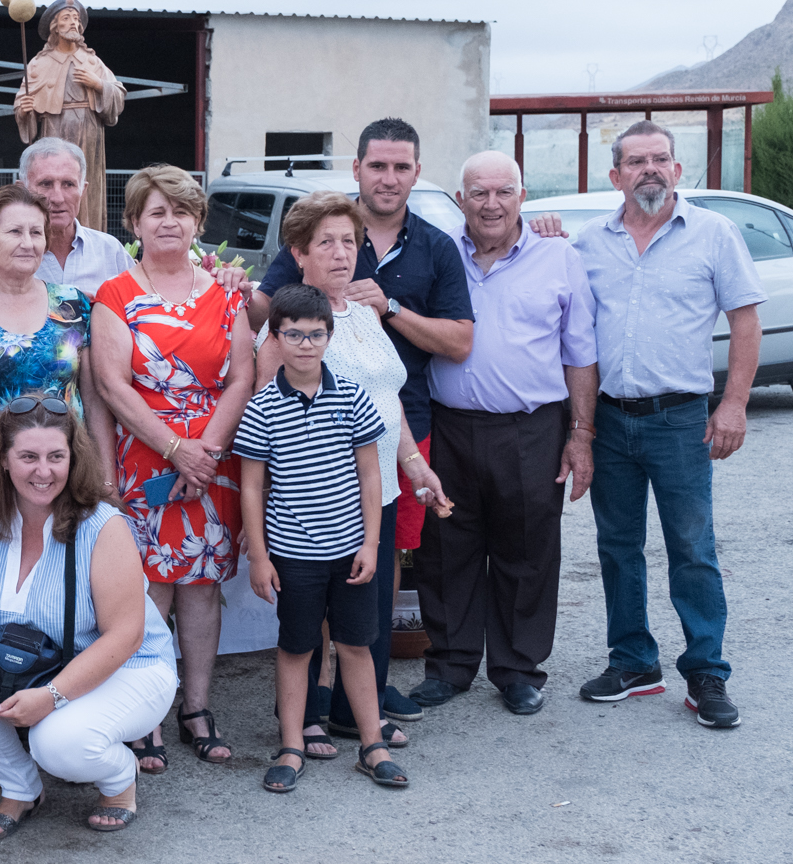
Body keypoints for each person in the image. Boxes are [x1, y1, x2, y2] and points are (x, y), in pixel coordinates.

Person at [248, 117, 473, 728]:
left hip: (377, 491)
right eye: (326, 243)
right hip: (316, 499)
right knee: (309, 617)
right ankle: (305, 720)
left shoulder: (365, 313)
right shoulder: (292, 324)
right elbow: (266, 420)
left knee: (363, 616)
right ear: (299, 254)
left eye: (349, 242)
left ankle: (357, 715)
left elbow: (386, 398)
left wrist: (416, 466)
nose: (341, 253)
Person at [572, 120, 763, 728]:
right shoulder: (588, 243)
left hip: (680, 420)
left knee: (692, 547)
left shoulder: (713, 233)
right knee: (617, 546)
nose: (649, 169)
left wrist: (733, 404)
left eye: (660, 159)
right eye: (636, 161)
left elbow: (745, 321)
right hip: (610, 419)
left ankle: (706, 672)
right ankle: (634, 661)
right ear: (616, 175)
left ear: (677, 170)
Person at [0, 395, 177, 837]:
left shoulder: (102, 526)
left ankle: (120, 779)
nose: (43, 471)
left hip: (129, 668)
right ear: (3, 460)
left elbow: (125, 636)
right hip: (36, 663)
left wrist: (52, 696)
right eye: (28, 457)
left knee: (58, 743)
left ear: (73, 459)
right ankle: (20, 786)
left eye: (56, 457)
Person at [411, 153, 598, 716]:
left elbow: (580, 353)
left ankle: (518, 669)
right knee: (446, 547)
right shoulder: (438, 252)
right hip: (448, 424)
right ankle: (450, 664)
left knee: (528, 548)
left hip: (531, 427)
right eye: (478, 193)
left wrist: (580, 435)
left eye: (504, 192)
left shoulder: (559, 256)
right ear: (460, 199)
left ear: (523, 196)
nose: (491, 204)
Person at [89, 165, 254, 769]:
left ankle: (197, 706)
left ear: (198, 222)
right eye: (156, 211)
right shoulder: (114, 295)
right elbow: (112, 385)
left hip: (215, 458)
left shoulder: (227, 294)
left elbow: (242, 378)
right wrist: (175, 449)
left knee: (202, 586)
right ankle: (145, 713)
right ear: (134, 222)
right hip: (145, 456)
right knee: (148, 588)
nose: (169, 222)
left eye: (181, 211)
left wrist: (204, 451)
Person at [234, 284, 408, 794]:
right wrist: (260, 556)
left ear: (329, 337)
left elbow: (371, 475)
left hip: (351, 552)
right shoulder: (262, 408)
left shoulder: (352, 396)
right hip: (293, 556)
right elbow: (252, 486)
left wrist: (371, 544)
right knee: (296, 648)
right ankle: (291, 745)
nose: (305, 344)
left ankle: (372, 745)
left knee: (356, 645)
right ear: (274, 338)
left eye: (315, 335)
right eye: (293, 335)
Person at [0, 185, 110, 551]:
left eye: (36, 232)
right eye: (14, 231)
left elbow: (94, 403)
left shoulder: (73, 306)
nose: (28, 243)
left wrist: (105, 484)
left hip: (60, 480)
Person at [0, 136, 134, 336]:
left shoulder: (111, 253)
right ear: (22, 189)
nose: (57, 198)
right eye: (45, 184)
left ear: (82, 190)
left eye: (68, 184)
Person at [12, 0, 125, 231]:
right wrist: (24, 110)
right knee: (53, 179)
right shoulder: (39, 63)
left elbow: (118, 94)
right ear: (55, 26)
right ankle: (48, 231)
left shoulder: (92, 61)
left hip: (90, 131)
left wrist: (99, 84)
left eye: (76, 19)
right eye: (66, 18)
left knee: (84, 184)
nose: (73, 23)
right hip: (55, 127)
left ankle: (90, 232)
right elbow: (23, 101)